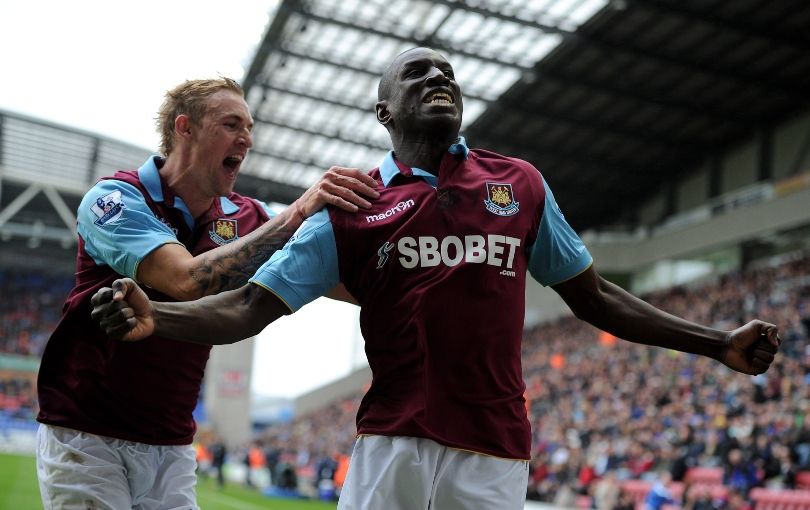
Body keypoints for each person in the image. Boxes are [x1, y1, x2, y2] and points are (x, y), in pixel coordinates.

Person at [91, 49, 781, 510]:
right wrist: (160, 318)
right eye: (418, 74)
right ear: (384, 111)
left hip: (494, 449)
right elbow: (247, 307)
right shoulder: (351, 208)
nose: (439, 80)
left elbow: (594, 295)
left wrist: (716, 342)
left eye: (448, 74)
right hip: (391, 445)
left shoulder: (520, 185)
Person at [35, 77, 379, 510]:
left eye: (249, 128)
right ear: (186, 128)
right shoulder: (115, 199)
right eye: (231, 124)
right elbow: (186, 280)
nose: (247, 139)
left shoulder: (249, 217)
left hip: (171, 443)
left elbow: (343, 282)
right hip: (87, 434)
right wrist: (296, 214)